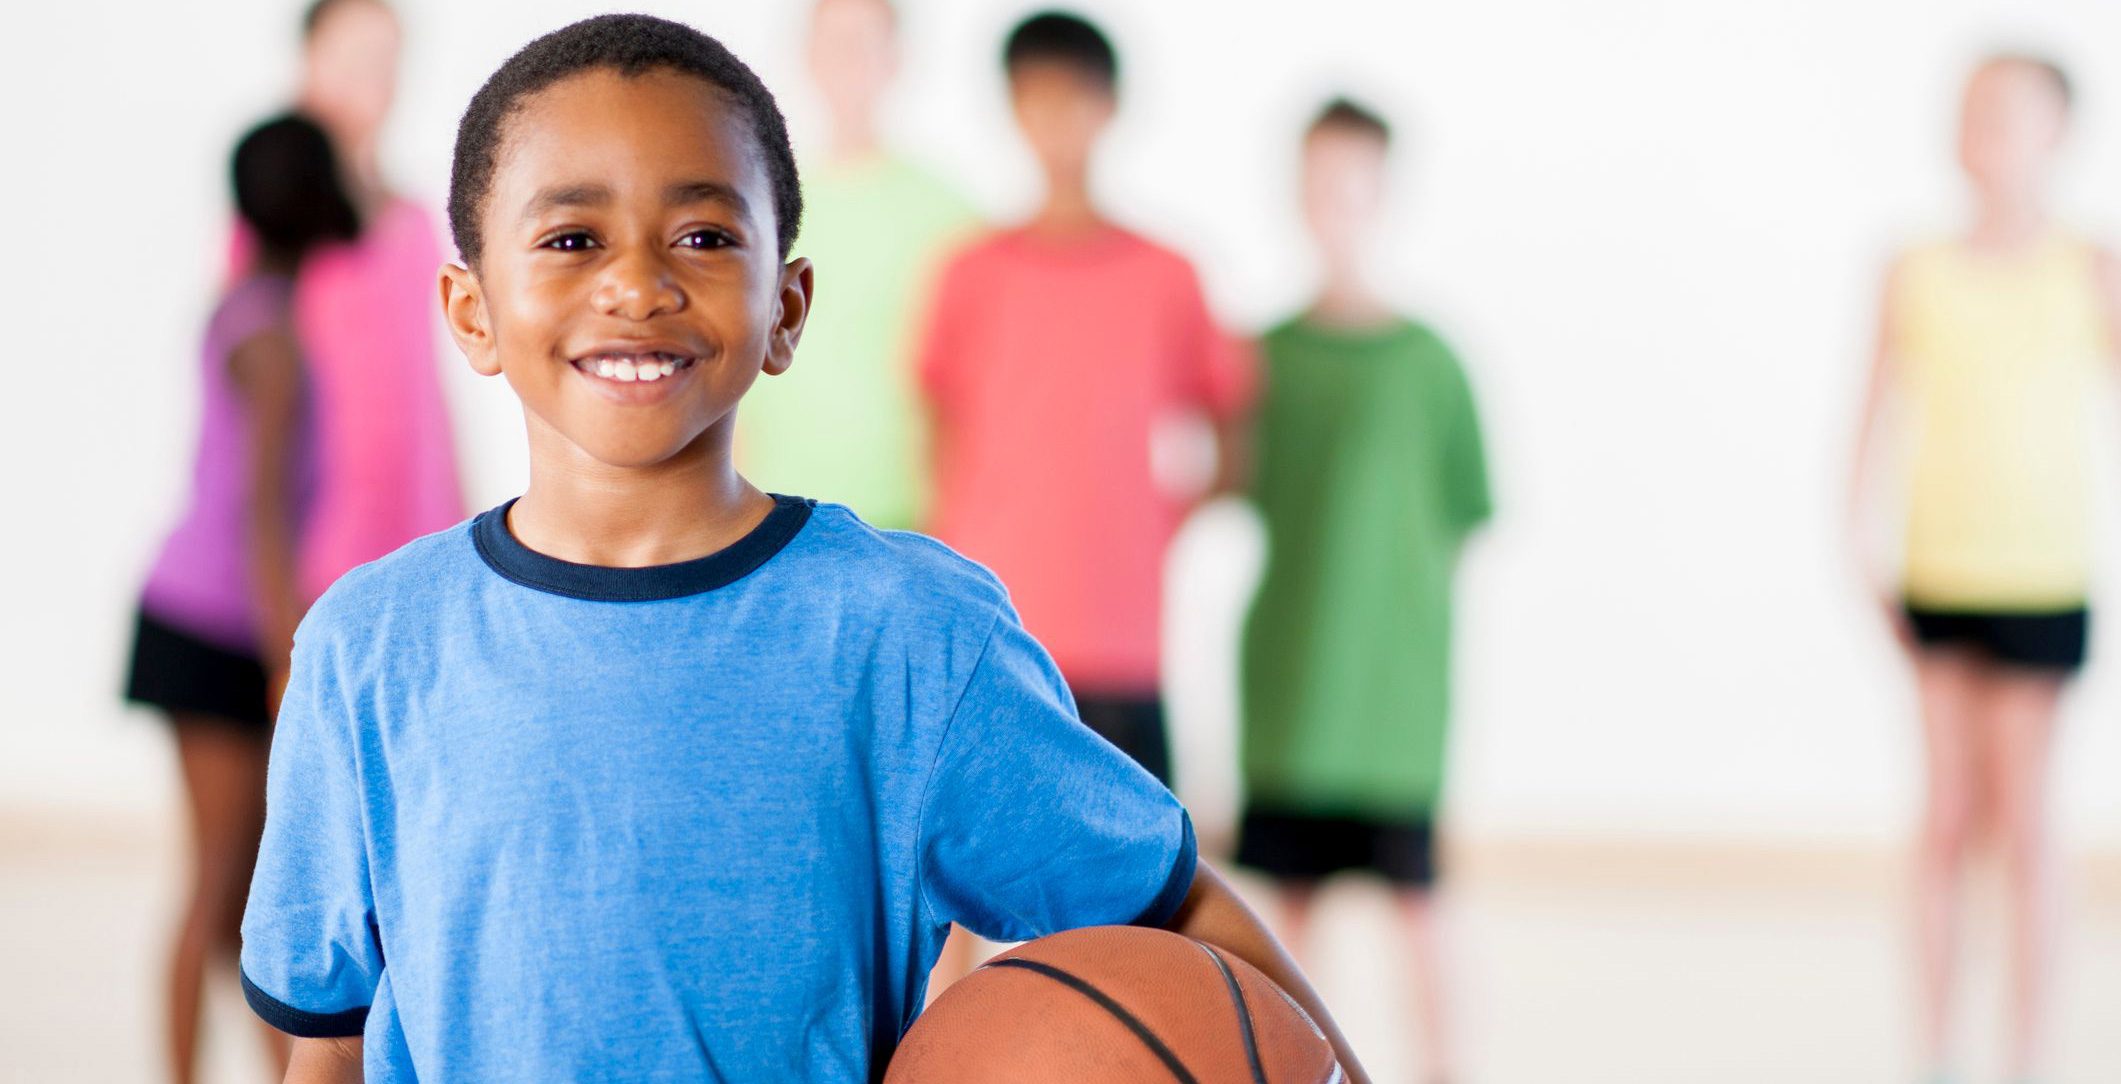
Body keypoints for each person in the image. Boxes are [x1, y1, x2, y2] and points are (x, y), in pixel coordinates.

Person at [236, 15, 1369, 1082]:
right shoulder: (366, 648)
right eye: (573, 237)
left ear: (787, 307)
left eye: (705, 235)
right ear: (472, 310)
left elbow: (1170, 905)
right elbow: (326, 1046)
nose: (637, 281)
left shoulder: (914, 638)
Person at [1848, 53, 2121, 1084]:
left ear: (2056, 134)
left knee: (2028, 815)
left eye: (2007, 116)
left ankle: (2030, 1054)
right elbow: (1873, 405)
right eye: (1971, 114)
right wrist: (1857, 536)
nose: (1983, 134)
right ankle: (1938, 1047)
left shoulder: (2090, 265)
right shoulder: (1912, 266)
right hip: (1939, 567)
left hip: (2044, 573)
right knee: (1947, 812)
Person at [918, 11, 1250, 789]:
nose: (1054, 125)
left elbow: (1229, 428)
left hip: (1124, 637)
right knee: (987, 888)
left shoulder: (1168, 274)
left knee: (1142, 884)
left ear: (1109, 109)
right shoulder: (970, 273)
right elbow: (939, 430)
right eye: (1035, 102)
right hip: (999, 634)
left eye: (1073, 101)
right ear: (1010, 112)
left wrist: (1156, 524)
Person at [1236, 97, 1491, 1084]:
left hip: (1394, 704)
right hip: (1293, 686)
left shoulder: (1431, 364)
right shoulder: (1264, 358)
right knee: (1282, 925)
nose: (1335, 203)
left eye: (1354, 183)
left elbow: (1464, 518)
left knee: (1421, 911)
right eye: (1318, 182)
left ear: (1384, 194)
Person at [128, 112, 359, 1084]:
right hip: (215, 628)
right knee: (221, 884)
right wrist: (286, 661)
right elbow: (264, 520)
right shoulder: (270, 338)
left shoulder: (250, 306)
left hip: (195, 614)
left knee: (233, 897)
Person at [234, 0, 463, 598]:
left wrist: (464, 520)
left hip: (418, 536)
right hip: (318, 553)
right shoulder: (270, 224)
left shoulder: (413, 223)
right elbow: (249, 418)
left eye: (388, 61)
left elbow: (429, 390)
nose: (375, 81)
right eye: (355, 59)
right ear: (309, 63)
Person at [739, 0, 978, 530]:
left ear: (896, 59)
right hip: (773, 513)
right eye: (835, 43)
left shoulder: (951, 215)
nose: (850, 61)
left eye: (866, 43)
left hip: (913, 518)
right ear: (808, 57)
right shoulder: (760, 205)